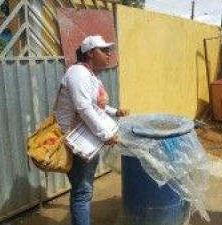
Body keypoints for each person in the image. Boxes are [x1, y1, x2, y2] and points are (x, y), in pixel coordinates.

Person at [55, 35, 129, 225]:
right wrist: (106, 135)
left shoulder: (90, 75)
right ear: (89, 53)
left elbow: (95, 105)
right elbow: (84, 108)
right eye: (103, 50)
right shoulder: (77, 73)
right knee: (82, 191)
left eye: (109, 50)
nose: (109, 53)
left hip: (87, 138)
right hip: (76, 140)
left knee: (83, 190)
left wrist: (115, 111)